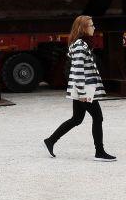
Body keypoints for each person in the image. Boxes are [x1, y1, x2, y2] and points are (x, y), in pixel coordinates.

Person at [43, 15, 116, 161]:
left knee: (76, 119)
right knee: (98, 117)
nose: (94, 27)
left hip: (83, 88)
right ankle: (99, 152)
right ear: (83, 28)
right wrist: (82, 93)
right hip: (84, 89)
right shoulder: (80, 46)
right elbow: (77, 71)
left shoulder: (84, 44)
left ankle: (50, 140)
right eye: (91, 25)